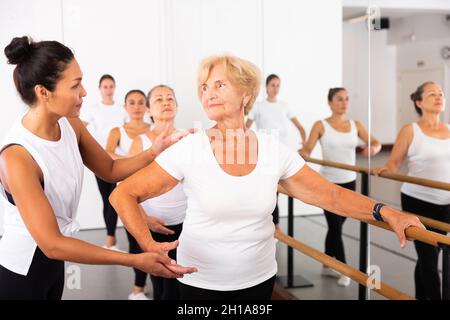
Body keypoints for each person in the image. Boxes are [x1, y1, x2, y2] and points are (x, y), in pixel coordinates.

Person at [110, 55, 425, 300]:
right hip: (200, 282)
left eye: (219, 84)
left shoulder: (274, 150)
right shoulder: (189, 149)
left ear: (246, 93)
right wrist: (148, 244)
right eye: (204, 87)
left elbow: (331, 195)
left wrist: (386, 212)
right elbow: (122, 194)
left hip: (259, 280)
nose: (208, 93)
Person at [0, 36, 196, 300]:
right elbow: (52, 245)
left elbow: (110, 169)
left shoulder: (70, 124)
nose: (84, 92)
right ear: (43, 92)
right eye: (76, 85)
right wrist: (134, 260)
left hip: (55, 263)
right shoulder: (18, 157)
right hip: (23, 269)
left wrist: (153, 150)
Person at [373, 81, 450, 300]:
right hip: (418, 201)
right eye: (432, 94)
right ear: (419, 102)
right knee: (428, 257)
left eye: (441, 93)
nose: (439, 97)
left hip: (445, 203)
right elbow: (394, 163)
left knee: (431, 254)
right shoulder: (410, 130)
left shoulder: (449, 130)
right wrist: (386, 169)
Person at [300, 87, 381, 287]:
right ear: (329, 103)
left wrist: (373, 148)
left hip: (349, 182)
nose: (344, 103)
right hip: (327, 184)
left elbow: (376, 142)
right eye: (339, 99)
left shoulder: (355, 125)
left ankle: (327, 262)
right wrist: (300, 153)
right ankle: (345, 270)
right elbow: (307, 149)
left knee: (335, 225)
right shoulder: (320, 125)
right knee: (335, 227)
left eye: (347, 99)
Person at [127, 84, 187, 300]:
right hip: (152, 225)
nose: (166, 102)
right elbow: (124, 188)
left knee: (178, 285)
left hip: (185, 224)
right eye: (159, 99)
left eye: (170, 98)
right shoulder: (140, 142)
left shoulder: (188, 139)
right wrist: (145, 219)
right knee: (160, 282)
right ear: (149, 111)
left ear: (177, 106)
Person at [246, 74, 306, 229]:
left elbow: (300, 126)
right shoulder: (258, 106)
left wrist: (305, 144)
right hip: (265, 154)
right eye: (272, 85)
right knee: (270, 192)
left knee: (276, 191)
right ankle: (271, 226)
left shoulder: (284, 106)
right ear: (266, 87)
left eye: (278, 85)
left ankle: (275, 227)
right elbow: (245, 128)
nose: (275, 88)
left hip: (282, 153)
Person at [80, 74, 127, 251]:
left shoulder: (122, 110)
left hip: (118, 158)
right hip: (99, 157)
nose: (108, 90)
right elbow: (80, 127)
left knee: (114, 198)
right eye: (105, 87)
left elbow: (130, 129)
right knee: (106, 198)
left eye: (111, 86)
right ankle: (111, 237)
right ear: (100, 89)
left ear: (114, 88)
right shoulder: (93, 109)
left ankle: (110, 239)